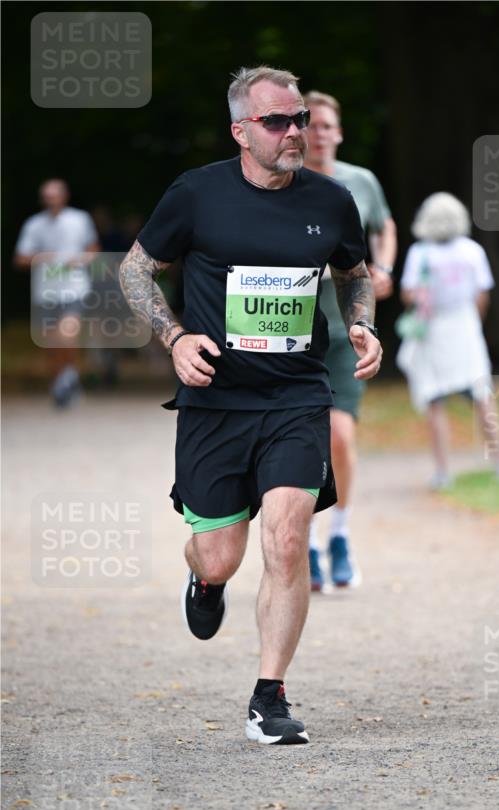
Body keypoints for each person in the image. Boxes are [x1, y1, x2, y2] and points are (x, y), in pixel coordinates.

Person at [119, 66, 382, 746]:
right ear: (241, 130)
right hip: (216, 399)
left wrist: (363, 323)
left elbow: (355, 274)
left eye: (298, 119)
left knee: (288, 540)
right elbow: (134, 268)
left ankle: (270, 696)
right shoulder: (197, 194)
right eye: (276, 121)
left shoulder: (330, 200)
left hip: (297, 393)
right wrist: (175, 338)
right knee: (220, 555)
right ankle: (204, 584)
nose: (293, 131)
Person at [303, 91, 397, 590]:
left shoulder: (361, 181)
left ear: (338, 132)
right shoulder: (287, 181)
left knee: (339, 434)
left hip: (347, 327)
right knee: (305, 439)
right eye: (310, 125)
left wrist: (383, 268)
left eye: (327, 126)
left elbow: (385, 228)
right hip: (296, 329)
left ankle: (339, 534)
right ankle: (310, 544)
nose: (319, 133)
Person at [398, 192, 499, 488]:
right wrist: (474, 322)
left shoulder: (420, 253)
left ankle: (443, 471)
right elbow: (482, 295)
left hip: (434, 330)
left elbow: (407, 294)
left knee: (434, 399)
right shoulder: (472, 251)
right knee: (482, 395)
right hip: (465, 327)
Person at [14, 179, 99, 406]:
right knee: (52, 344)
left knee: (68, 335)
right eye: (47, 196)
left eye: (55, 195)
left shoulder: (80, 219)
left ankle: (68, 377)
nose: (51, 200)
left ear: (64, 196)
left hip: (75, 288)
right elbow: (20, 258)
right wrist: (40, 259)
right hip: (46, 291)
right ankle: (62, 381)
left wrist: (80, 260)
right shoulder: (33, 225)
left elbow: (93, 250)